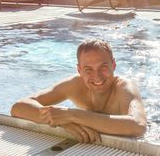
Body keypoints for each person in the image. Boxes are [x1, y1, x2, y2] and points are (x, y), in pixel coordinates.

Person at [11, 38, 147, 143]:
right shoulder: (74, 85)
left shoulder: (124, 88)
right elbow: (18, 107)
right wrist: (61, 122)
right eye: (88, 70)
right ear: (79, 70)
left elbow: (138, 126)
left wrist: (73, 115)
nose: (97, 76)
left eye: (103, 67)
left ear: (114, 65)